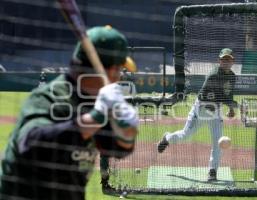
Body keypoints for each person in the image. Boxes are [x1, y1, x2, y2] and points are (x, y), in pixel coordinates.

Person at [0, 26, 138, 200]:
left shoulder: (95, 101)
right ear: (108, 70)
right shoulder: (50, 98)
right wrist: (95, 118)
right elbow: (30, 146)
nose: (119, 77)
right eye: (119, 69)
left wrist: (126, 133)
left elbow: (116, 149)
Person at [157, 48, 237, 181]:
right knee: (185, 135)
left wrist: (232, 108)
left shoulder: (232, 77)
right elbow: (209, 96)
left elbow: (228, 94)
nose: (226, 62)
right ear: (219, 60)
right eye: (224, 59)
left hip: (216, 111)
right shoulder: (213, 75)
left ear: (233, 61)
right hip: (201, 109)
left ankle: (212, 171)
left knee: (218, 142)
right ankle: (167, 138)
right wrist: (233, 104)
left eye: (229, 59)